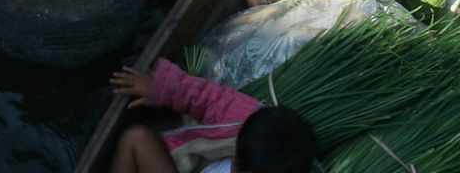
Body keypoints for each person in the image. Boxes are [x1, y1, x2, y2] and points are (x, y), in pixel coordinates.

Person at [105, 61, 317, 173]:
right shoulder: (245, 121)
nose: (235, 167)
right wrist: (160, 88)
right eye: (237, 164)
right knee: (136, 137)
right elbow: (209, 98)